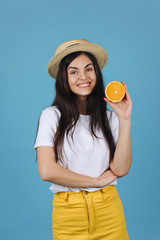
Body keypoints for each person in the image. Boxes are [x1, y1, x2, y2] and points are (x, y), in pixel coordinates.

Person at [34, 39, 132, 240]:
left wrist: (124, 120)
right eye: (74, 71)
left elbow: (120, 169)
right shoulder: (51, 116)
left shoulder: (110, 118)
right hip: (69, 214)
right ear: (64, 78)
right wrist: (95, 182)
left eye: (89, 69)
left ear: (97, 73)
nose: (83, 77)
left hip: (109, 211)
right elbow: (47, 171)